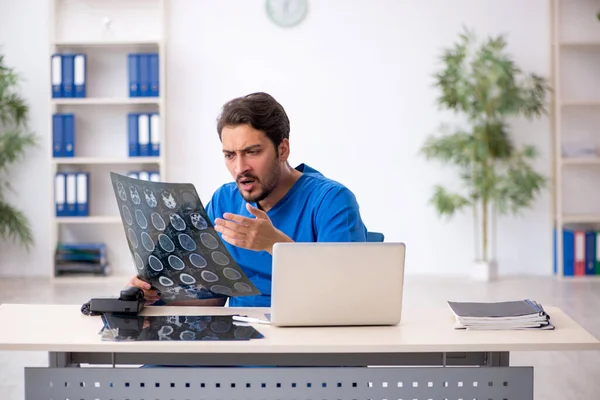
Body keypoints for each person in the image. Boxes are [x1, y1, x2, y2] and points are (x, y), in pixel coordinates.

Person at [128, 92, 367, 307]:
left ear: (282, 150)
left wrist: (274, 244)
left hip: (305, 342)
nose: (240, 168)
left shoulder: (332, 202)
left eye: (252, 152)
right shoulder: (224, 201)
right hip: (241, 341)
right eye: (230, 155)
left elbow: (345, 296)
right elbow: (212, 296)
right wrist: (156, 293)